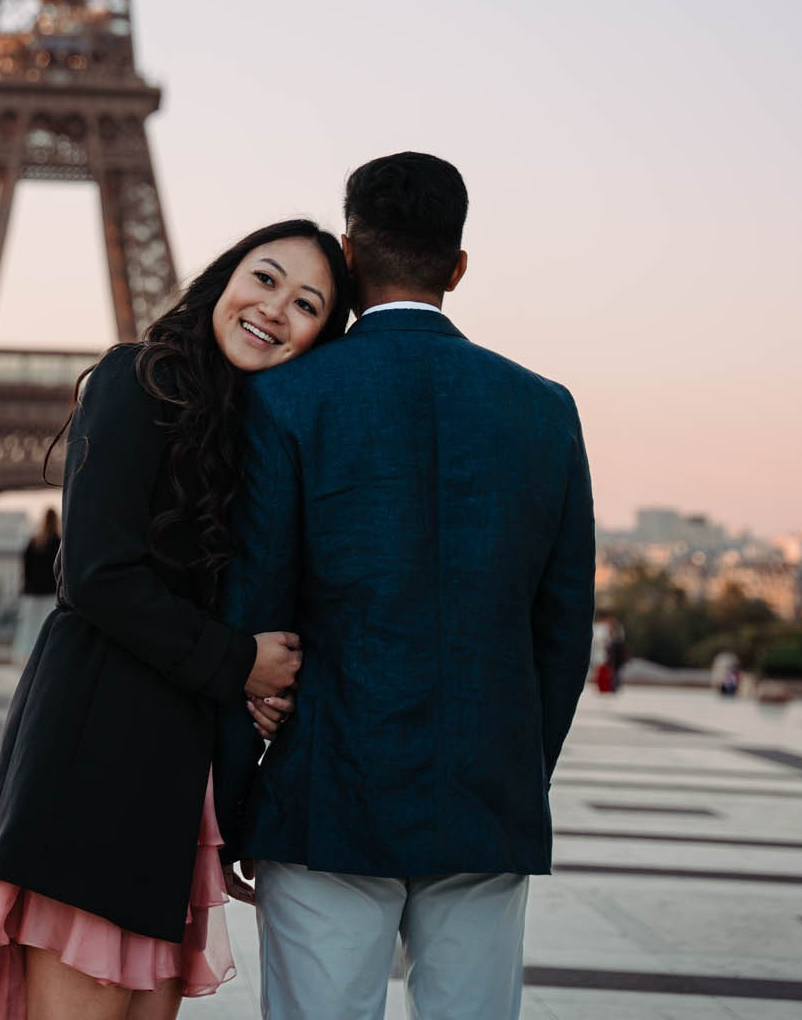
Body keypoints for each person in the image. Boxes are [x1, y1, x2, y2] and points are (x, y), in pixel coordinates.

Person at [0, 218, 351, 1020]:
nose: (273, 307)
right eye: (264, 278)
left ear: (320, 338)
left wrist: (256, 683)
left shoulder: (248, 422)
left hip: (174, 764)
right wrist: (237, 661)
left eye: (306, 304)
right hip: (101, 743)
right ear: (225, 278)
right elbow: (95, 575)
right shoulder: (140, 378)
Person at [214, 152, 595, 1020]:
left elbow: (254, 611)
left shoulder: (285, 397)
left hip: (324, 791)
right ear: (456, 267)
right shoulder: (545, 407)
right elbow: (563, 627)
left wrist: (237, 803)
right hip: (485, 792)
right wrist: (514, 772)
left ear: (348, 256)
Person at [12, 507, 61, 663]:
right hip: (50, 593)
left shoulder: (33, 542)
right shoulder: (59, 543)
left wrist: (25, 587)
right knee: (46, 628)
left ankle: (23, 659)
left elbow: (25, 568)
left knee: (28, 627)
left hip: (31, 592)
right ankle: (43, 661)